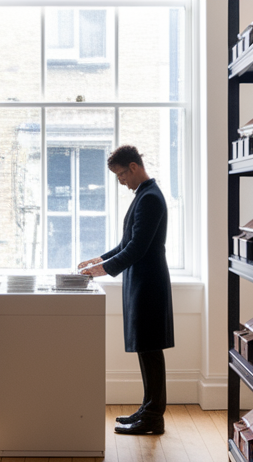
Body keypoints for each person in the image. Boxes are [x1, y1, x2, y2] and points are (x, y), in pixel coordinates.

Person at [78, 145, 174, 435]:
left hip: (149, 283)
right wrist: (101, 258)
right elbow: (127, 242)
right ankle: (148, 408)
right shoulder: (144, 195)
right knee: (145, 348)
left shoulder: (150, 198)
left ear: (133, 167)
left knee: (151, 349)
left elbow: (137, 247)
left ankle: (154, 416)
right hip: (140, 280)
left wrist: (103, 270)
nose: (121, 181)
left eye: (121, 175)